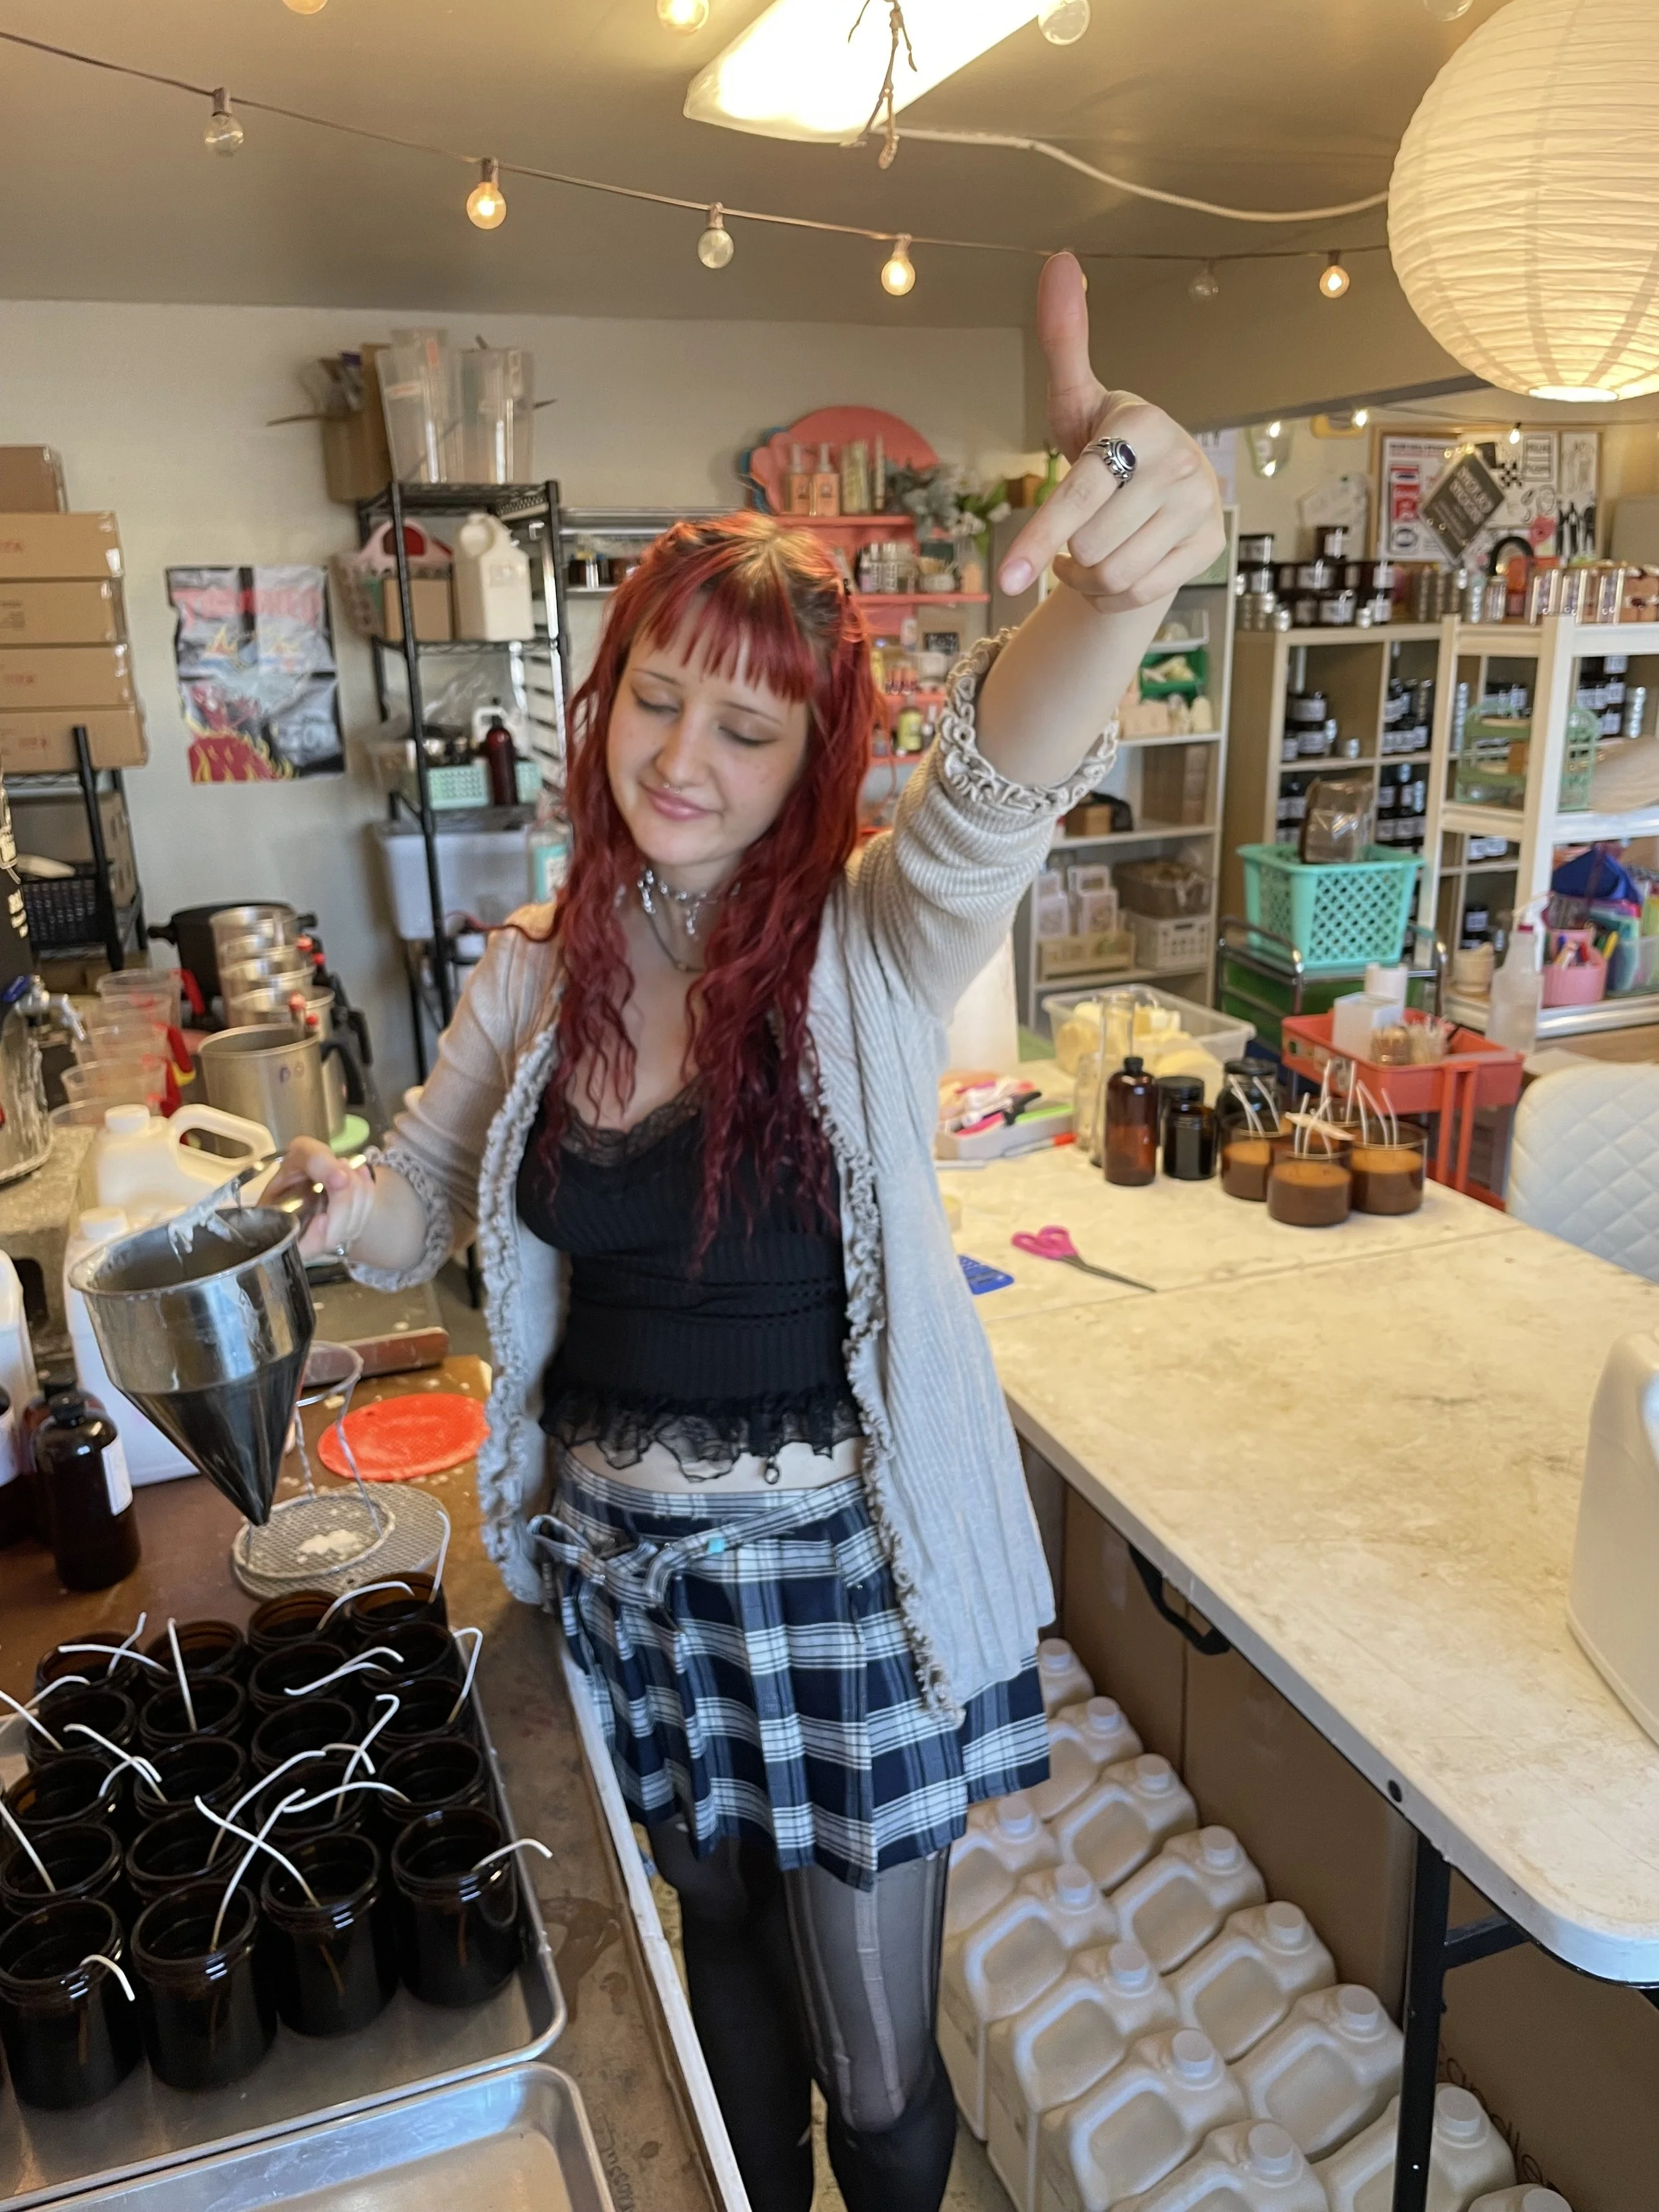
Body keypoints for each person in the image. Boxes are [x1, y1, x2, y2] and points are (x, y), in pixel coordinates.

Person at [272, 254, 1222, 2212]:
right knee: (722, 2004)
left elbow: (1002, 785)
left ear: (812, 765)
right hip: (620, 1584)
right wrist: (327, 1200)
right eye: (661, 696)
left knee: (876, 2069)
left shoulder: (865, 946)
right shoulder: (532, 974)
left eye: (753, 728)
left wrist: (1113, 575)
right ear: (602, 690)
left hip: (841, 1585)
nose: (686, 757)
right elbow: (416, 1203)